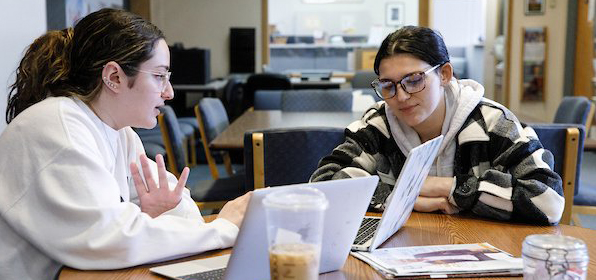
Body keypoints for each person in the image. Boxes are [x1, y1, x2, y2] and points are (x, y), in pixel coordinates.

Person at [0, 8, 250, 280]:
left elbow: (179, 209)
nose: (169, 92)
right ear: (114, 77)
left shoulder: (120, 131)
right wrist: (225, 228)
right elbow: (110, 238)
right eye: (159, 76)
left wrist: (156, 215)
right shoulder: (57, 126)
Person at [310, 26, 564, 225]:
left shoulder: (493, 123)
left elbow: (548, 201)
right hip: (400, 247)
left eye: (414, 80)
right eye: (388, 85)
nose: (401, 97)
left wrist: (448, 187)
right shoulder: (377, 124)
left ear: (444, 74)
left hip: (478, 249)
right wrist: (404, 198)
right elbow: (324, 187)